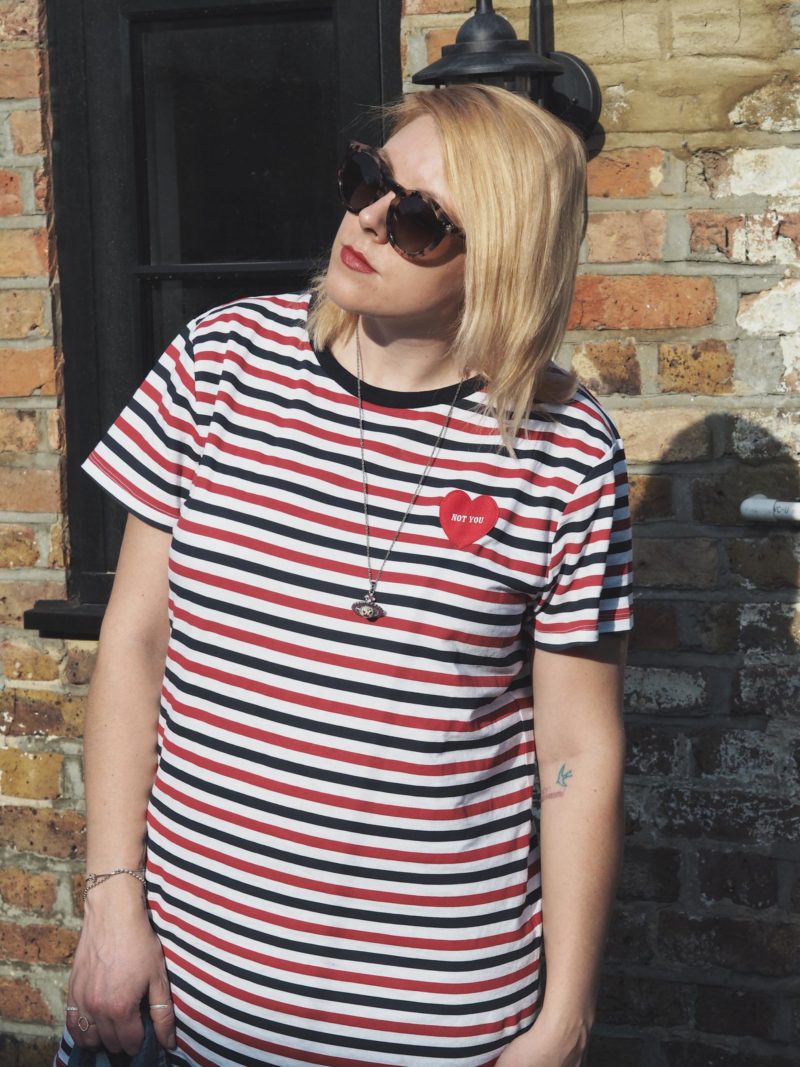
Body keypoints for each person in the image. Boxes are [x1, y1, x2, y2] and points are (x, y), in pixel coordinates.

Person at [56, 83, 632, 1067]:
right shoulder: (219, 364)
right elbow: (137, 639)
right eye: (368, 178)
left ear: (503, 257)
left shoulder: (563, 450)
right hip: (177, 1010)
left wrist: (564, 1016)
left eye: (419, 220)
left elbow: (576, 745)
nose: (367, 218)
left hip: (434, 1026)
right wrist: (111, 897)